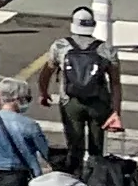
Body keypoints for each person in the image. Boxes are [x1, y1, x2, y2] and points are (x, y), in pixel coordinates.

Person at [18, 11, 125, 169]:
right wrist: (115, 111)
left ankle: (75, 178)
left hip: (70, 102)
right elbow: (115, 83)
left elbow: (46, 73)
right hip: (98, 103)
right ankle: (96, 179)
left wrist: (44, 93)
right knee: (97, 147)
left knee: (75, 145)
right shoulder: (106, 49)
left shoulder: (60, 46)